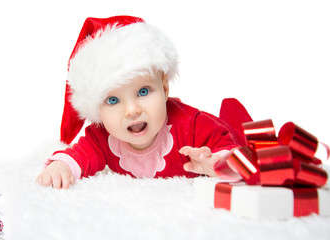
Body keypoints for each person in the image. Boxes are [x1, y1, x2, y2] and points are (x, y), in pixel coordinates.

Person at [36, 16, 250, 189]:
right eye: (113, 100)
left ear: (165, 89)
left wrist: (216, 162)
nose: (132, 110)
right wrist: (61, 167)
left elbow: (228, 147)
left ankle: (234, 118)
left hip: (223, 132)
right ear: (97, 110)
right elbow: (78, 155)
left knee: (238, 136)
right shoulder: (102, 138)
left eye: (143, 91)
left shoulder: (192, 125)